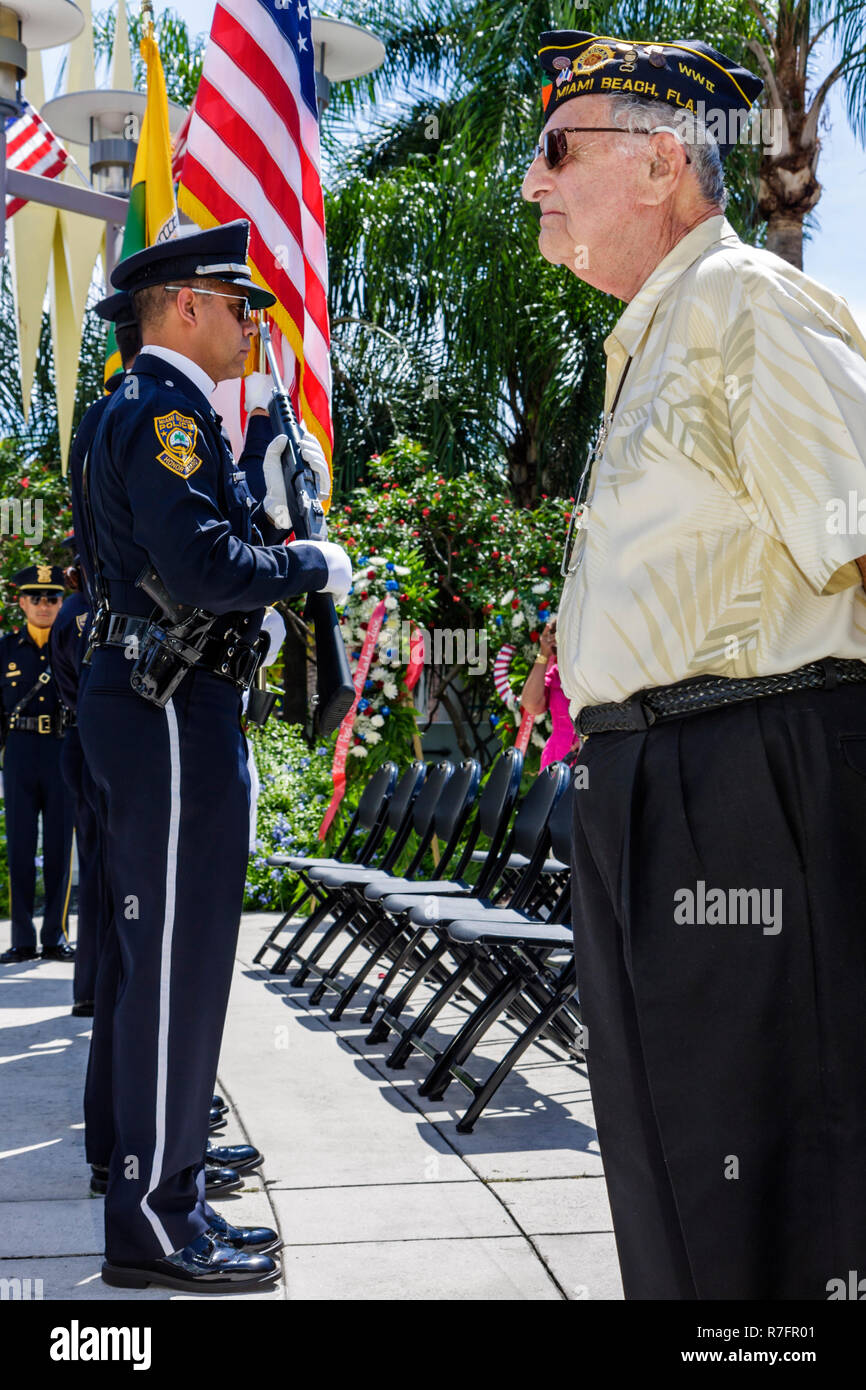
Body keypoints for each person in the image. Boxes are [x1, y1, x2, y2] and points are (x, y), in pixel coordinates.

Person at [524, 29, 866, 1300]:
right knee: (674, 1169)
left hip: (745, 782)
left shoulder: (739, 303)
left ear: (661, 163)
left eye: (557, 150)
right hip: (652, 787)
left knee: (775, 1184)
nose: (531, 183)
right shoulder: (659, 336)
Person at [77, 218, 352, 1293]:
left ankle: (151, 1175)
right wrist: (303, 564)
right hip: (170, 712)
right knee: (175, 968)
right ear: (182, 305)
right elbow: (199, 566)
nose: (253, 323)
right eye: (240, 305)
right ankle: (154, 1217)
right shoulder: (167, 416)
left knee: (160, 964)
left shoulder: (147, 410)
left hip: (157, 704)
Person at [0, 565, 74, 964]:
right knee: (21, 848)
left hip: (62, 750)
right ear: (22, 602)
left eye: (53, 598)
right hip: (21, 753)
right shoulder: (5, 650)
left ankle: (55, 936)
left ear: (62, 603)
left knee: (61, 847)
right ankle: (23, 939)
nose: (44, 605)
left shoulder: (72, 644)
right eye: (36, 598)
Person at [518, 616, 579, 767]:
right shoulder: (556, 674)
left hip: (592, 756)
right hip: (558, 758)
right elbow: (532, 705)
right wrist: (544, 653)